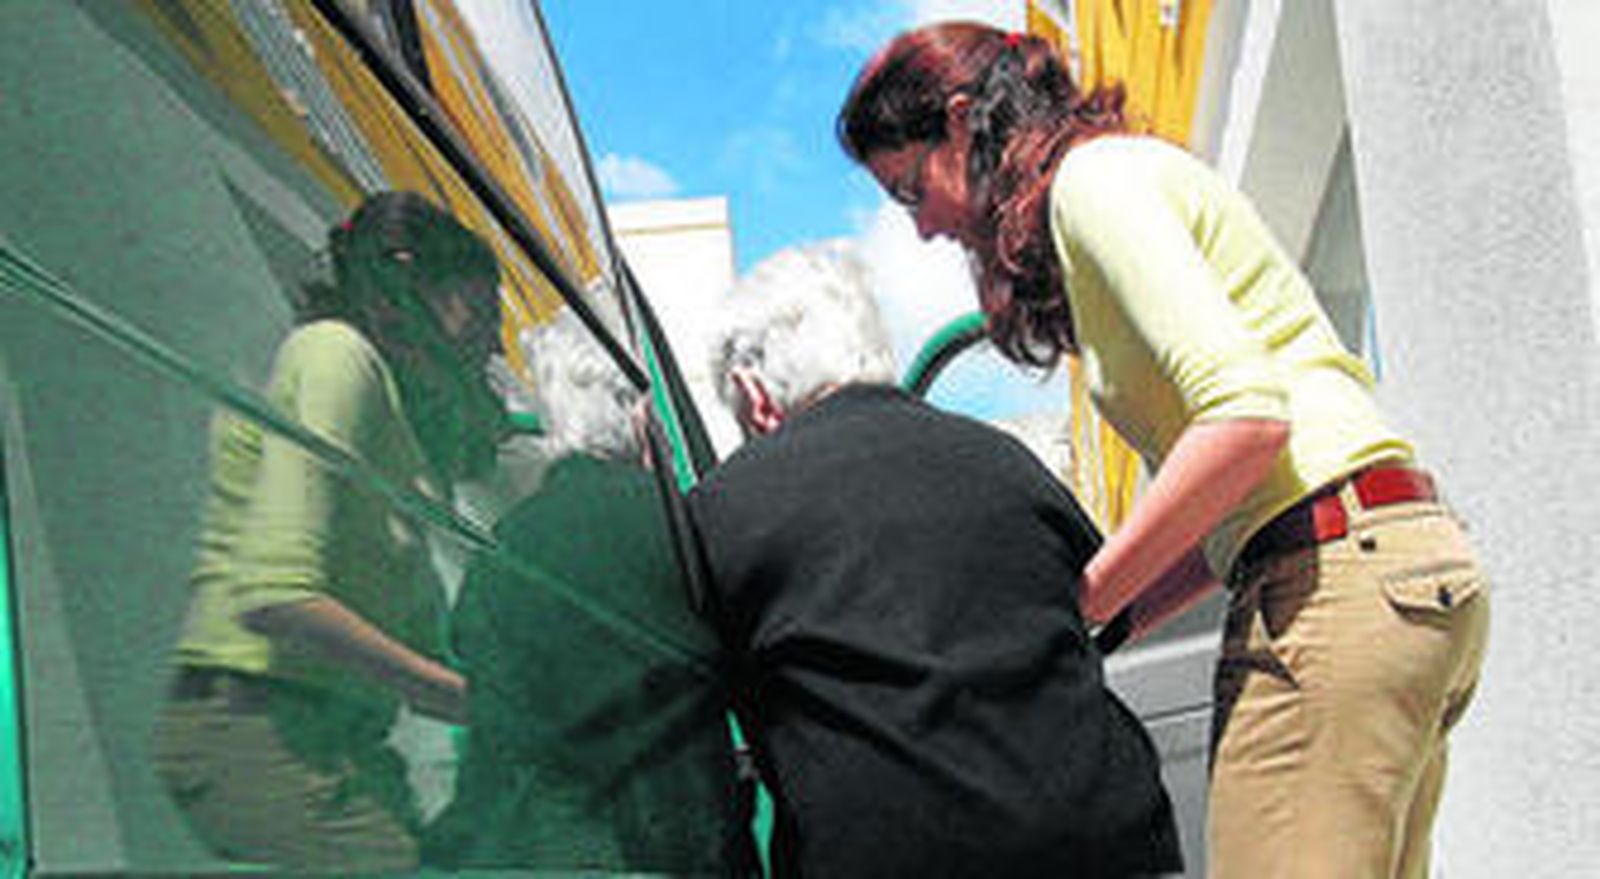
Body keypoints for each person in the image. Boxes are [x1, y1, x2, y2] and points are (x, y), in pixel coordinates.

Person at [837, 22, 1490, 879]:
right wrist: (1108, 620)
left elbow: (1245, 420)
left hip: (1332, 577)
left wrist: (1081, 598)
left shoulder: (1091, 185)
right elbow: (1240, 499)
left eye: (910, 190)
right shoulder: (1124, 175)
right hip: (1395, 564)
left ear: (961, 122)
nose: (922, 229)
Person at [688, 241, 1182, 878]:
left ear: (751, 393)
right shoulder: (1004, 460)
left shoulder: (723, 509)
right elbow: (1100, 608)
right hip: (1110, 844)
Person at [154, 191, 506, 871]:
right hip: (261, 732)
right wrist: (462, 699)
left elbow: (410, 628)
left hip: (333, 737)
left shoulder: (392, 411)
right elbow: (278, 595)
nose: (492, 343)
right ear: (400, 298)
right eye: (480, 314)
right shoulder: (336, 355)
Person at [425, 309, 754, 875]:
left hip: (554, 851)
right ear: (642, 414)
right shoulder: (684, 527)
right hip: (685, 849)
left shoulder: (501, 553)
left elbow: (491, 724)